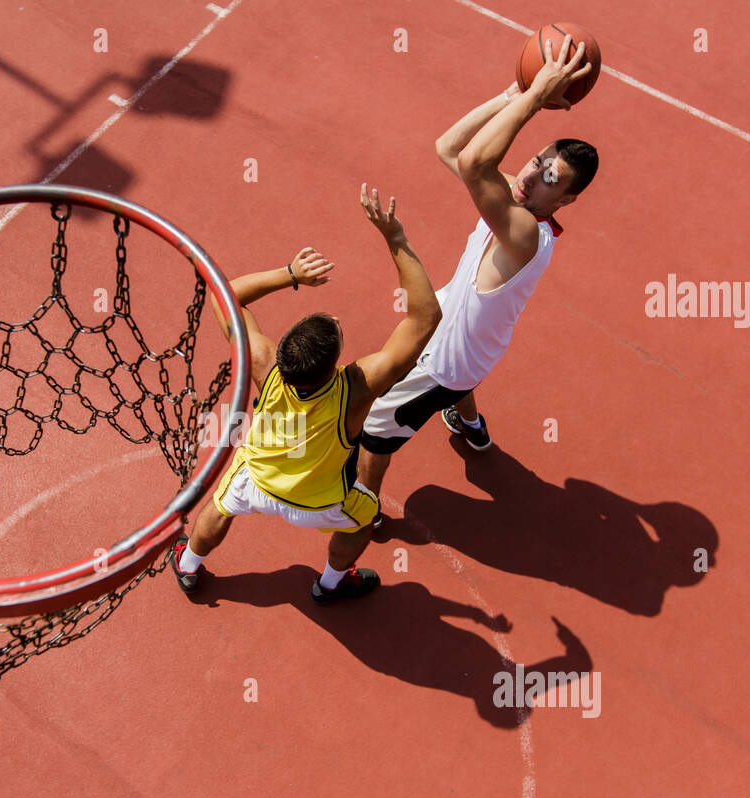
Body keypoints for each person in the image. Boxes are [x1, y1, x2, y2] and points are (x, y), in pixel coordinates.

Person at [171, 183, 442, 603]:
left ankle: (188, 565)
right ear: (337, 362)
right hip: (321, 504)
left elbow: (224, 297)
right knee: (362, 520)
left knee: (220, 506)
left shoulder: (265, 363)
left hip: (257, 478)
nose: (335, 318)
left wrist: (290, 275)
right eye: (335, 326)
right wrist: (396, 239)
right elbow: (425, 317)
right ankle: (330, 584)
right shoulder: (355, 388)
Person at [357, 35, 599, 504]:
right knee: (464, 373)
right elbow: (449, 146)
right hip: (472, 342)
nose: (531, 176)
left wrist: (533, 97)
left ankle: (363, 507)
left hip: (444, 362)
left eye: (552, 178)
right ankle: (470, 425)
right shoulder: (516, 199)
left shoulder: (525, 231)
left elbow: (471, 163)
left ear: (566, 201)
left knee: (372, 430)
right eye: (536, 161)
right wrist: (513, 92)